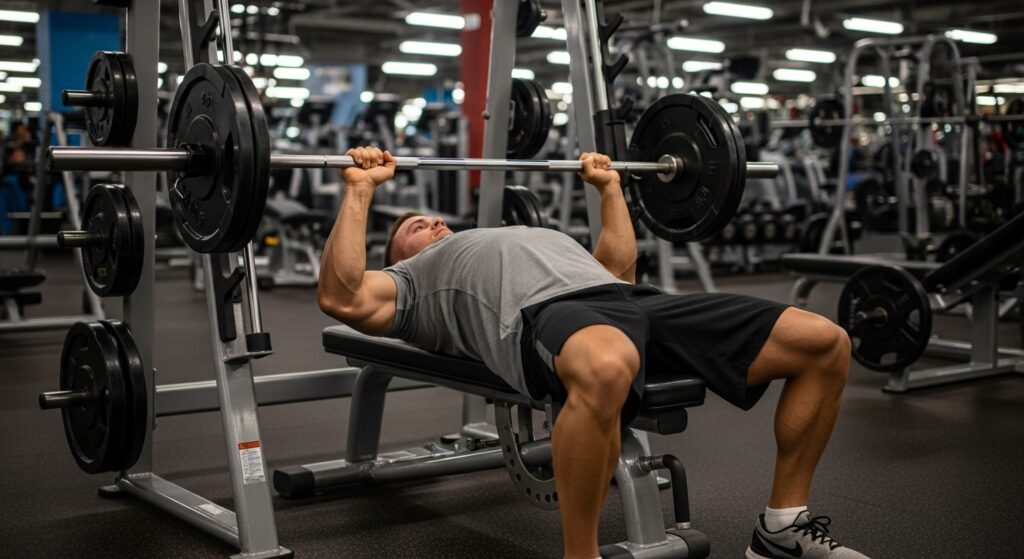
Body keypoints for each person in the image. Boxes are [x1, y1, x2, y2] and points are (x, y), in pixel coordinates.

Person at [318, 146, 867, 559]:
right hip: (546, 315)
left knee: (822, 342)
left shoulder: (513, 234)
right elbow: (341, 294)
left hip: (631, 301)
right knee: (606, 365)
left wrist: (608, 190)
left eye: (434, 218)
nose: (433, 222)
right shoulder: (412, 282)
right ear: (394, 257)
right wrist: (360, 188)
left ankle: (780, 528)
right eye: (415, 226)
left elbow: (618, 270)